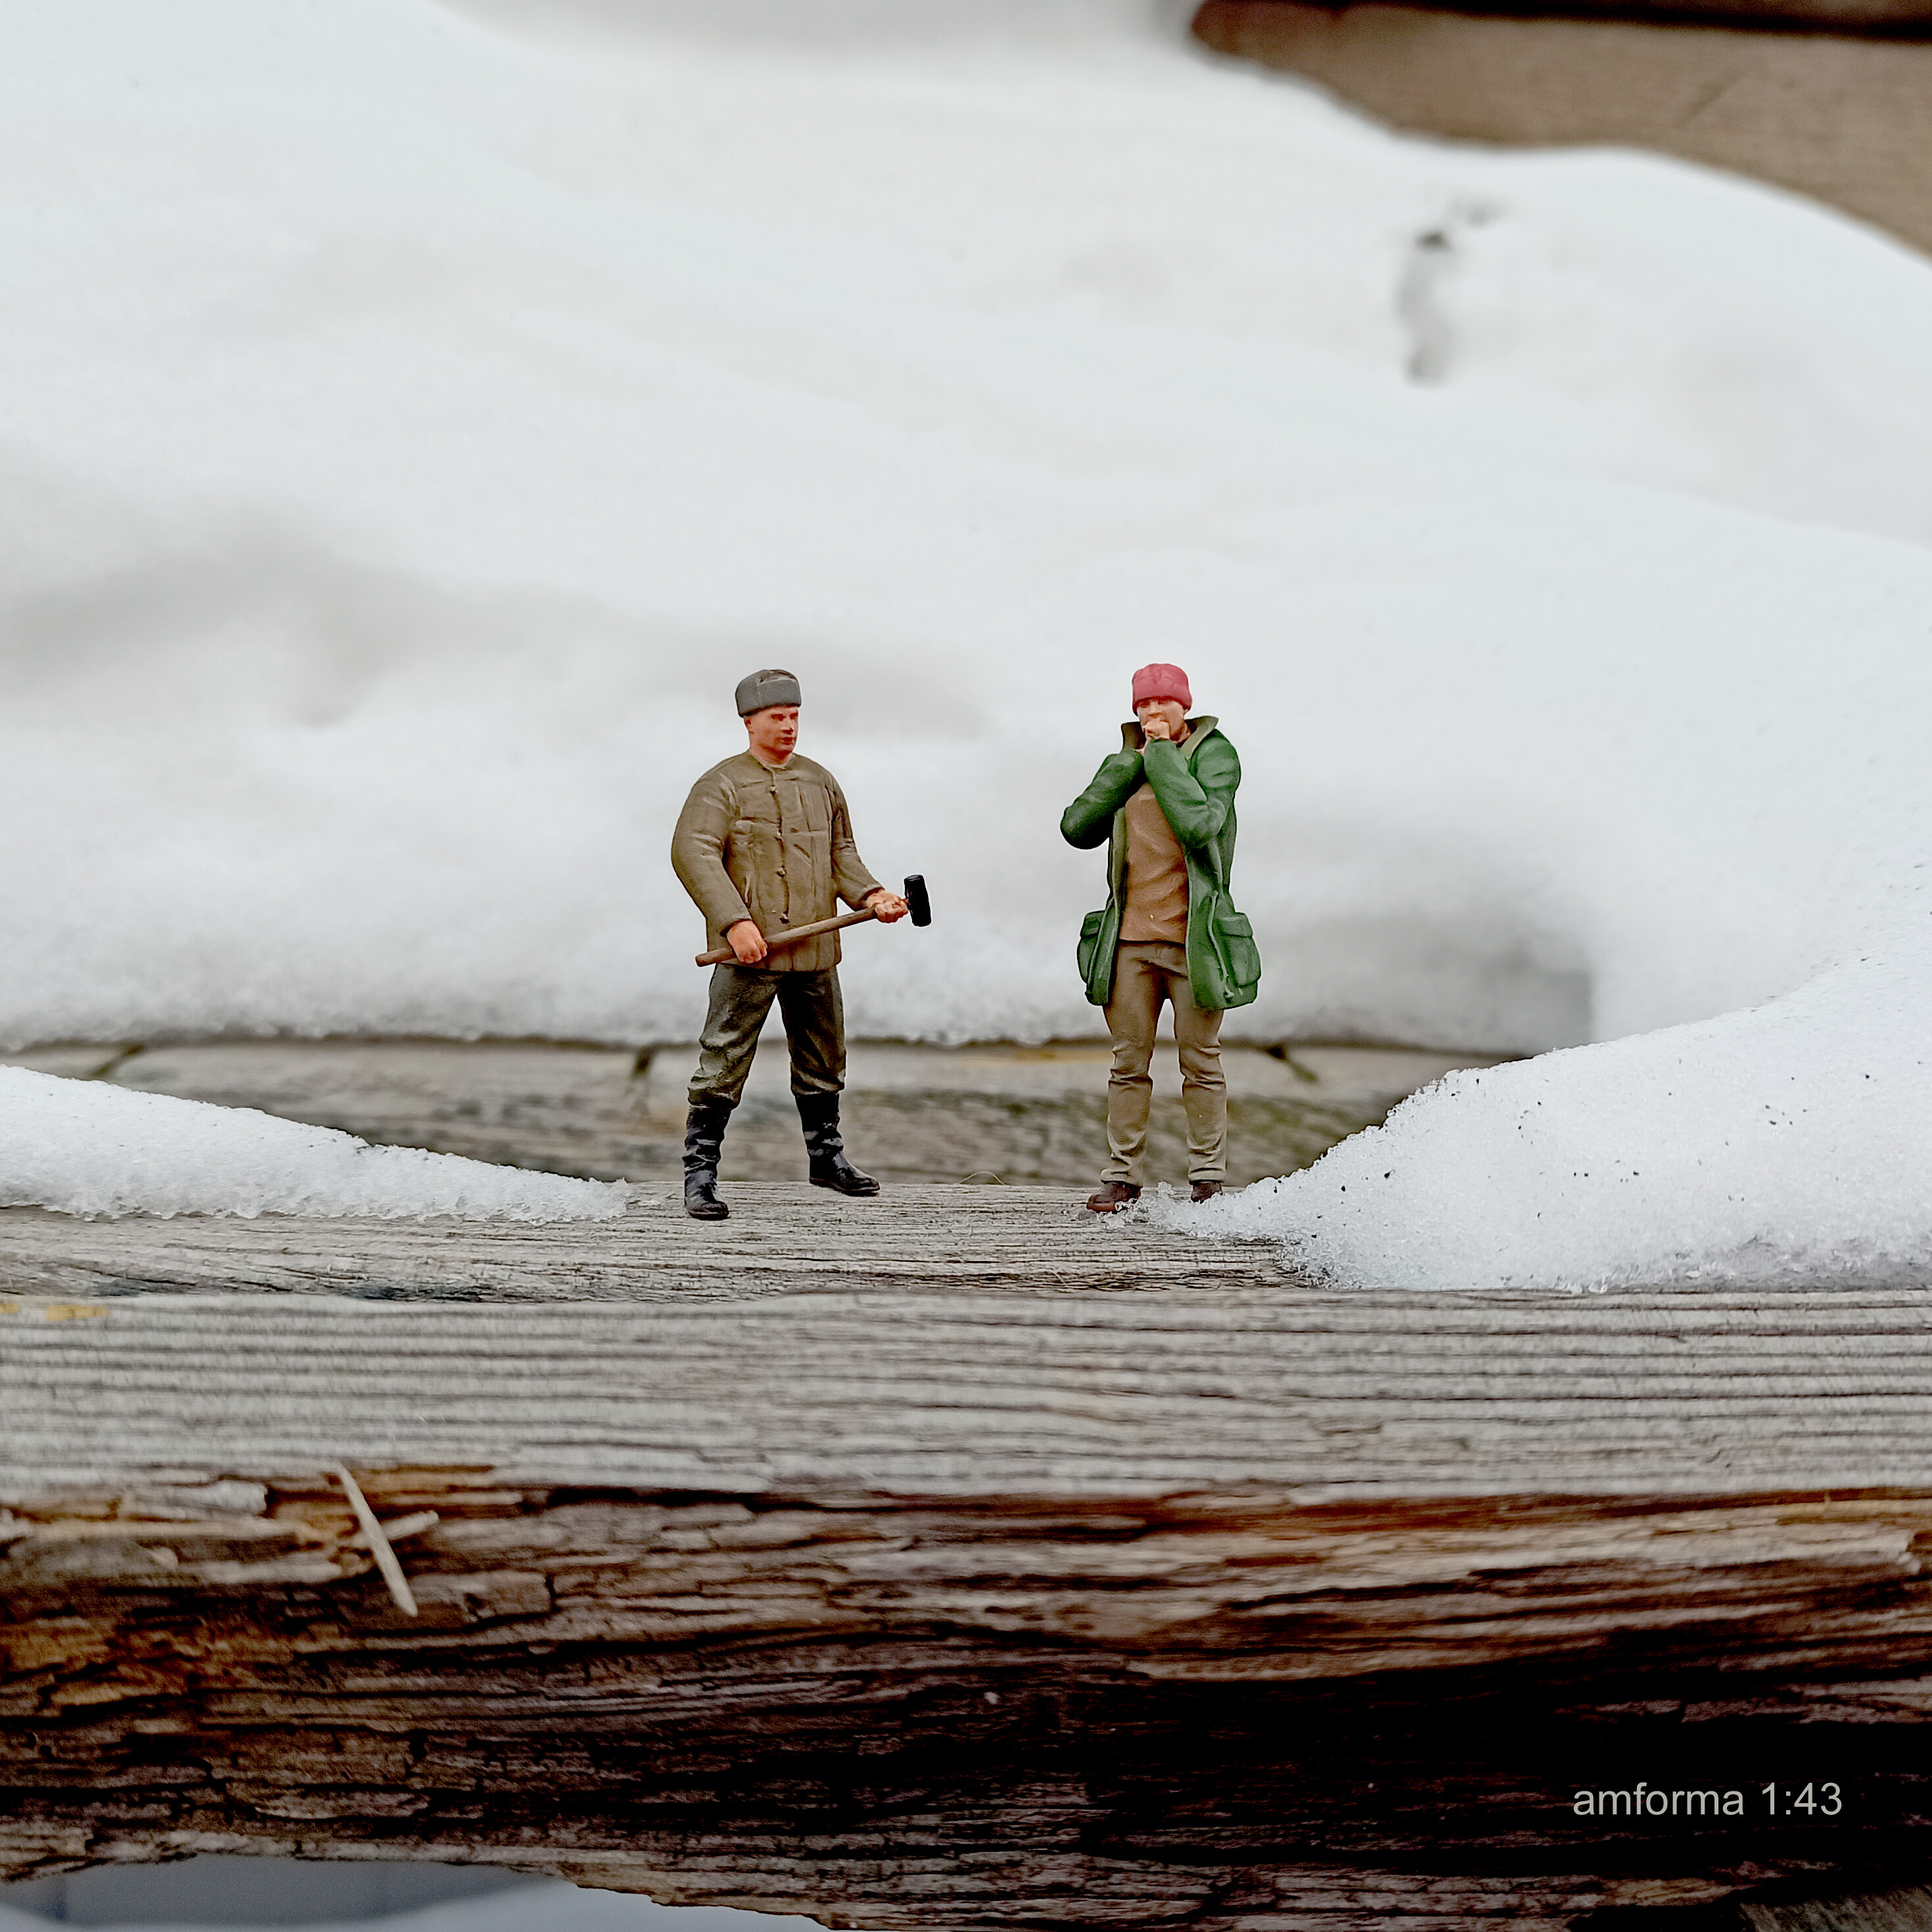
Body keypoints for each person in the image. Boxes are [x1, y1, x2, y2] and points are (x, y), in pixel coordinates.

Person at [671, 670, 908, 1220]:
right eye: (777, 717)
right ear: (749, 722)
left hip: (815, 950)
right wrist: (734, 922)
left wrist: (871, 894)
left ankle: (826, 1158)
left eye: (794, 716)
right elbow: (692, 851)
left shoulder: (820, 782)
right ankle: (699, 1174)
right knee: (723, 1061)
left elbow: (841, 852)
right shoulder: (721, 785)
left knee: (824, 1057)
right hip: (751, 955)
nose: (788, 727)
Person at [1060, 663, 1260, 1212]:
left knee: (1201, 1063)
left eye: (1163, 703)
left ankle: (1208, 1178)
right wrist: (1128, 765)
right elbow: (1077, 828)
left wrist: (1164, 756)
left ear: (1184, 706)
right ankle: (1122, 1176)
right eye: (1143, 705)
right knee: (1128, 1065)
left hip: (1194, 941)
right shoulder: (1130, 761)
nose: (1152, 713)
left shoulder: (1215, 756)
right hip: (1129, 942)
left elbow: (1199, 824)